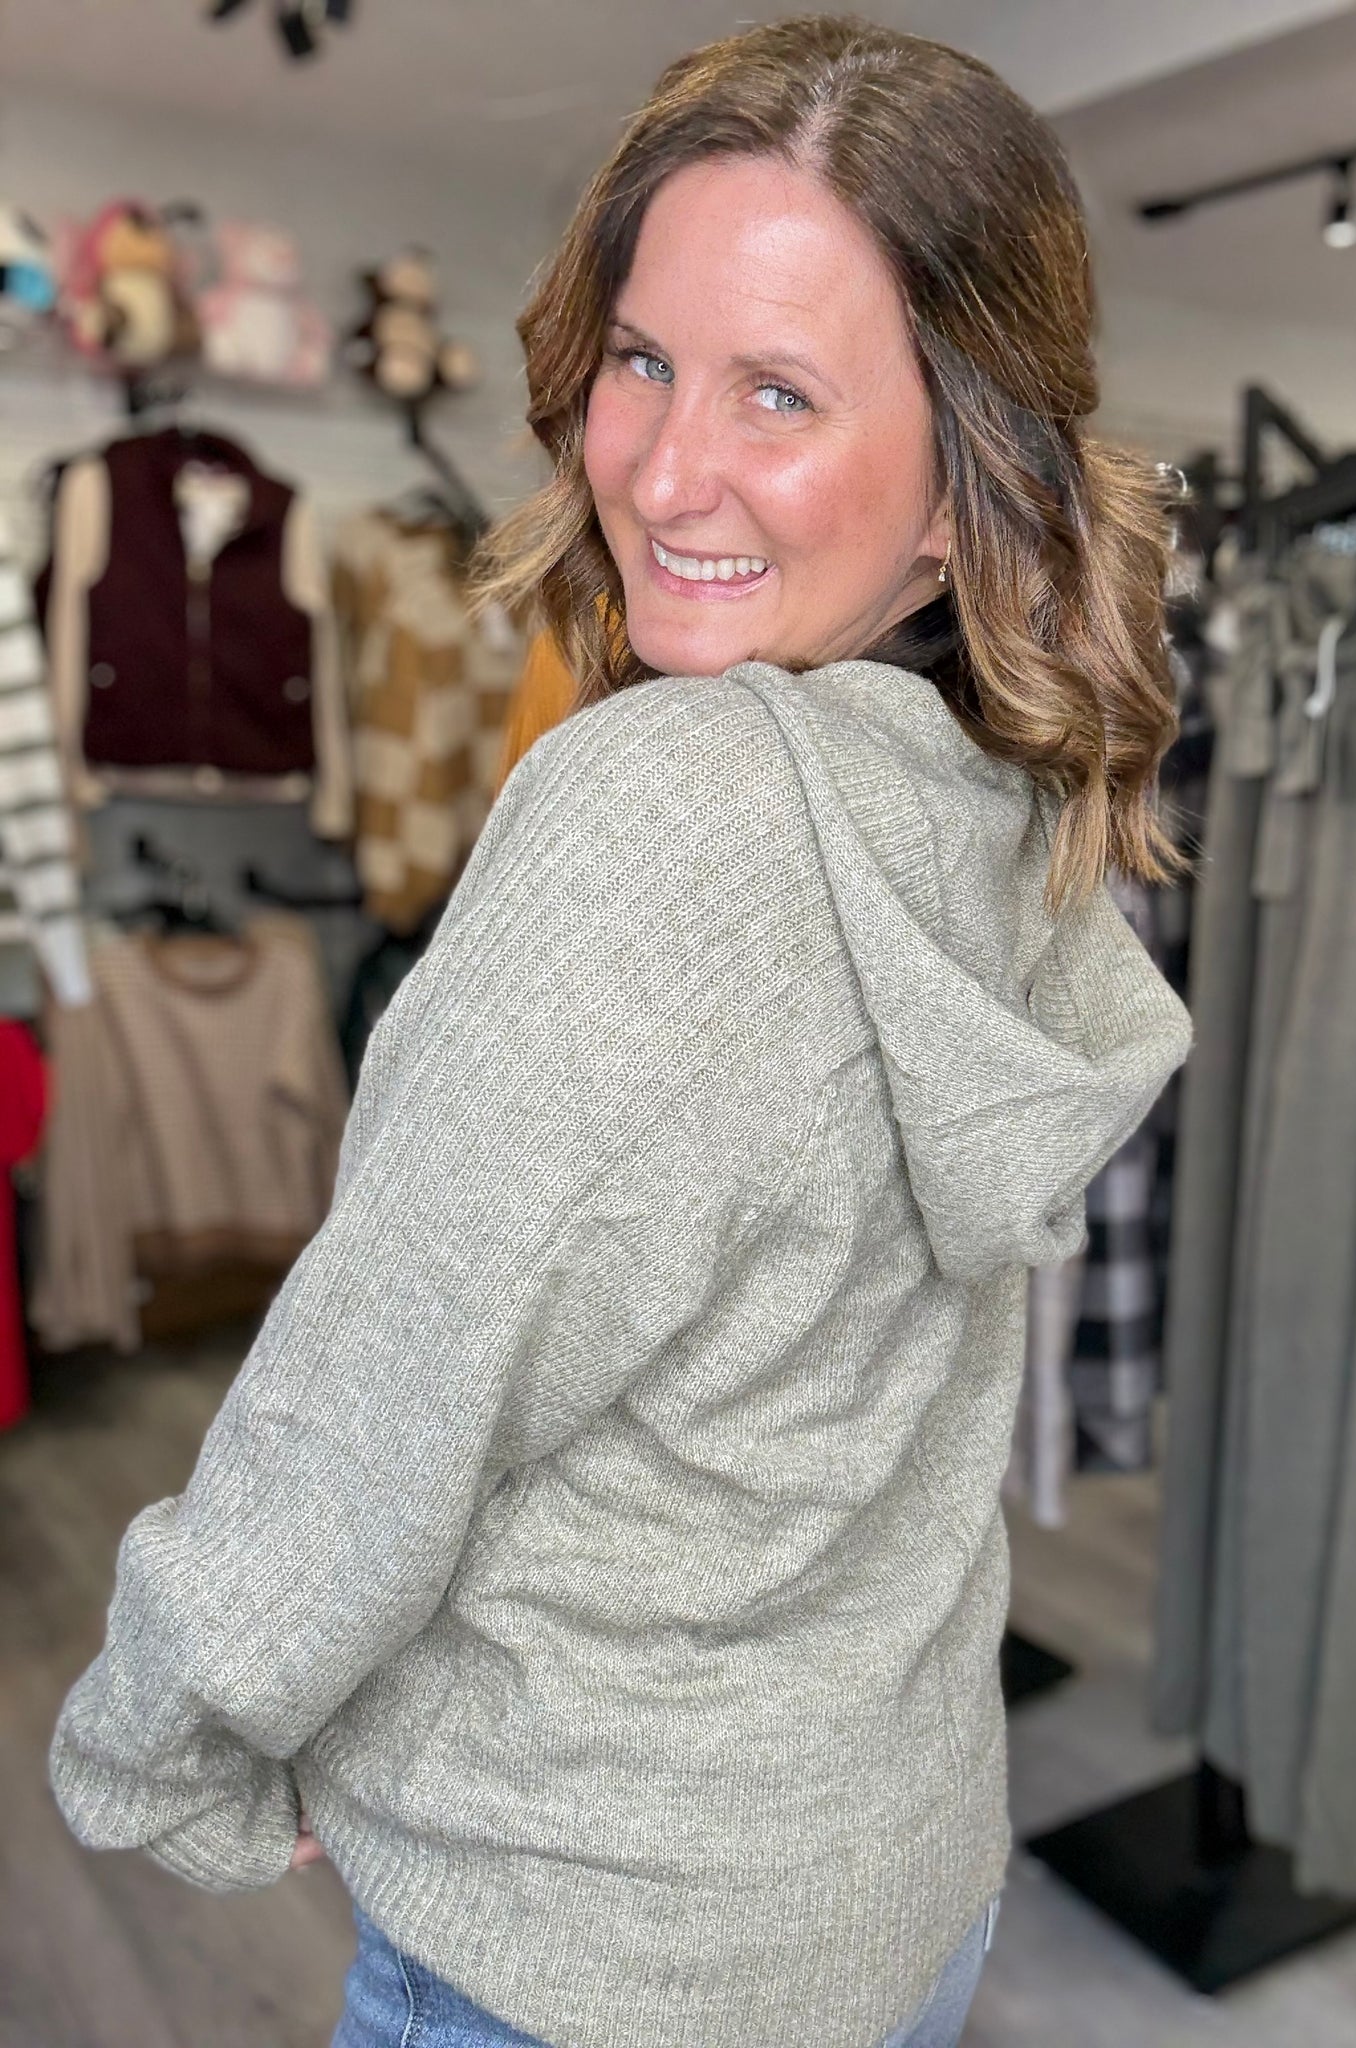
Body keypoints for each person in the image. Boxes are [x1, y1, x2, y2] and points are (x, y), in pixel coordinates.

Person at [49, 17, 1192, 2048]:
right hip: (880, 1891)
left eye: (780, 391)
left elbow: (385, 1390)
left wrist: (172, 1733)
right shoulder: (994, 800)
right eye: (645, 359)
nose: (664, 468)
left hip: (589, 1952)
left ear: (964, 483)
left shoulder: (672, 813)